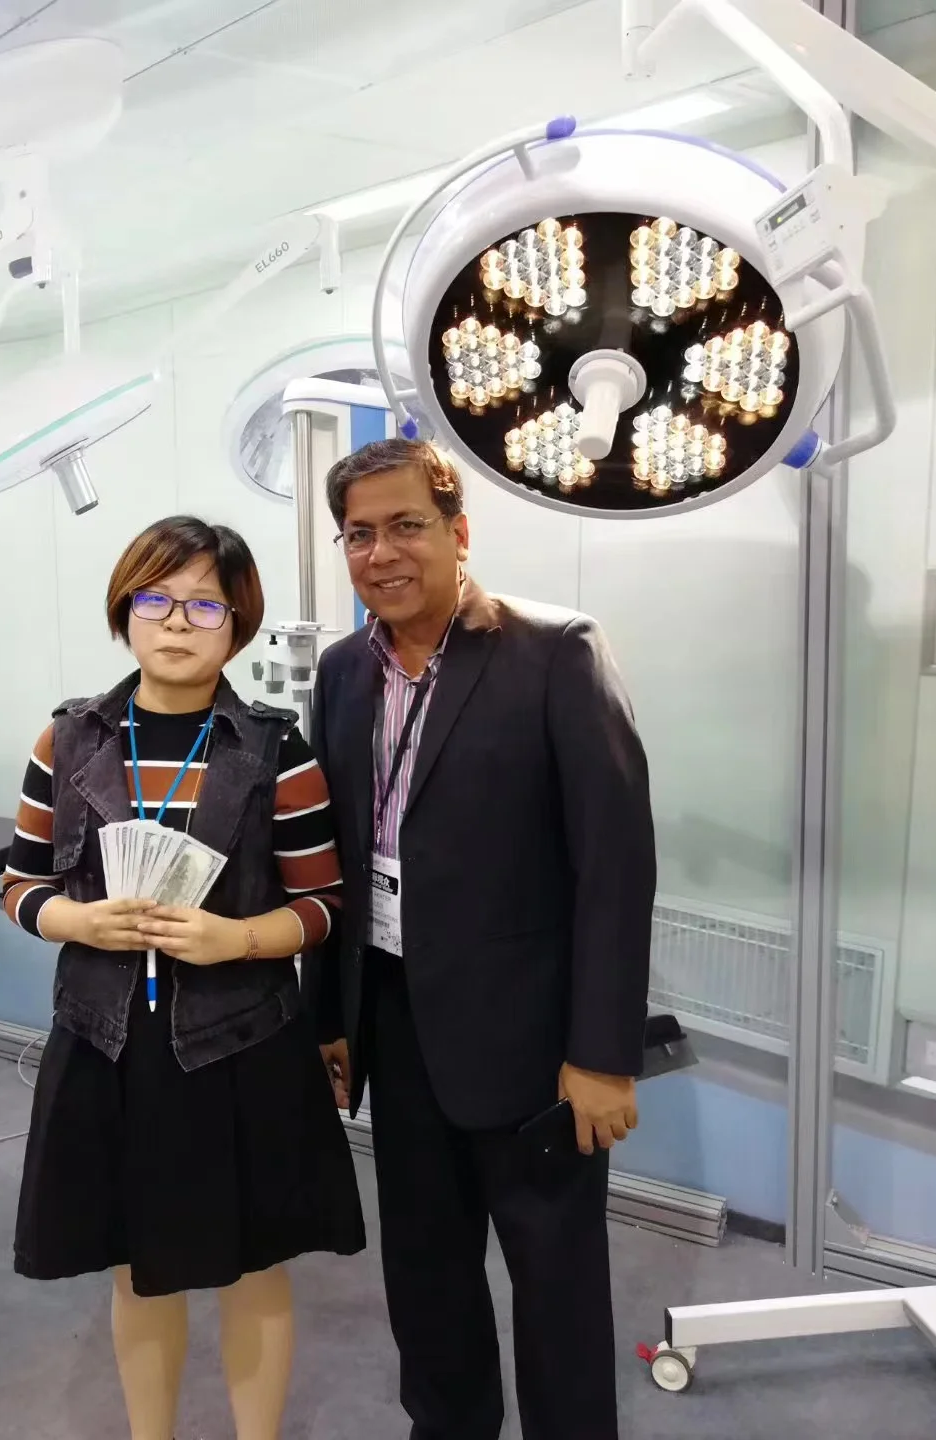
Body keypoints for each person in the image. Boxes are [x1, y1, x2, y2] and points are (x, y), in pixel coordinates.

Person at [303, 439, 656, 1440]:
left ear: (458, 532)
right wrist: (330, 1017)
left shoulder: (555, 652)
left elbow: (615, 869)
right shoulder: (342, 673)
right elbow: (334, 859)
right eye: (359, 534)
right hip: (395, 1020)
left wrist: (603, 1055)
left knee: (556, 1284)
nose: (382, 552)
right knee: (425, 1273)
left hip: (533, 1044)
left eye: (406, 525)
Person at [1, 516, 365, 1440]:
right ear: (124, 609)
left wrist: (236, 939)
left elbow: (323, 904)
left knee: (255, 1267)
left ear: (237, 627)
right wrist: (78, 920)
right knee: (138, 1267)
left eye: (206, 605)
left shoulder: (277, 751)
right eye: (157, 598)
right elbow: (21, 885)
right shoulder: (66, 742)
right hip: (107, 1041)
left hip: (242, 1042)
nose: (176, 621)